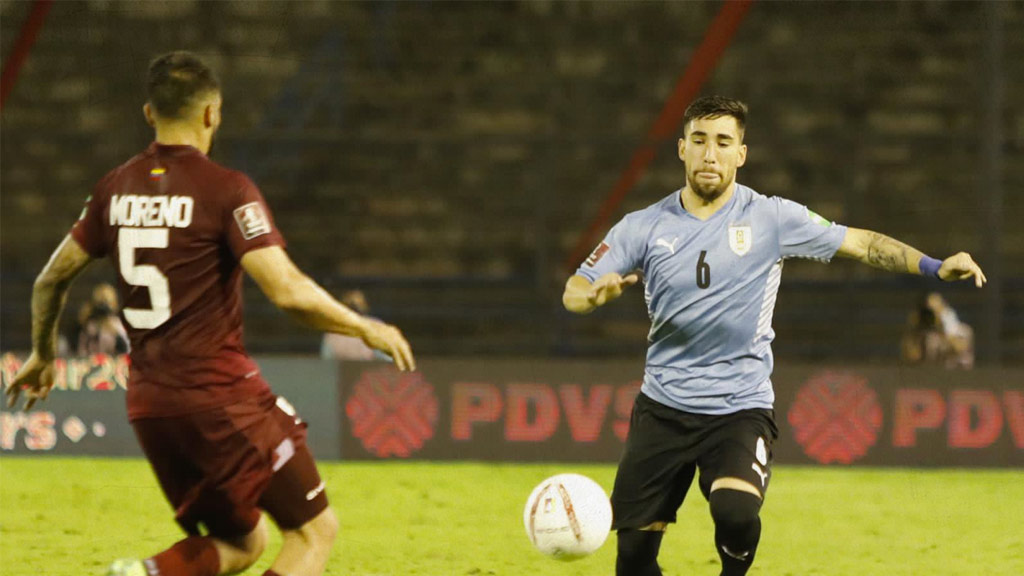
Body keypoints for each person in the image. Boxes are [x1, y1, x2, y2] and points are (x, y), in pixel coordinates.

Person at [5, 51, 415, 576]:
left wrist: (43, 354)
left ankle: (145, 573)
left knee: (244, 542)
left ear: (150, 114)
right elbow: (287, 291)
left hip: (151, 408)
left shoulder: (113, 190)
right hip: (222, 399)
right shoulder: (227, 190)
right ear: (211, 114)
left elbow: (49, 280)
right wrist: (364, 326)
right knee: (315, 532)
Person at [562, 96, 986, 576]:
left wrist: (933, 266)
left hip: (739, 408)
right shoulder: (642, 226)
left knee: (736, 513)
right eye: (699, 141)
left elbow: (862, 243)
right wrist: (592, 297)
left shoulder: (771, 218)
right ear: (681, 149)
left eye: (723, 142)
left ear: (741, 154)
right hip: (662, 408)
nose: (710, 154)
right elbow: (575, 288)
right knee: (634, 562)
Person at [901, 291, 975, 369]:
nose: (931, 317)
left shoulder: (963, 331)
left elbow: (960, 349)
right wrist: (915, 332)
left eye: (935, 311)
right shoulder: (922, 335)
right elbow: (912, 357)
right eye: (929, 312)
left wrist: (943, 329)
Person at [320, 290, 382, 361]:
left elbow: (326, 360)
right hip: (363, 369)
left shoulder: (332, 331)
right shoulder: (375, 326)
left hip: (352, 370)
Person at [75, 283, 130, 356]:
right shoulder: (89, 325)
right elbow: (82, 352)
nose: (103, 307)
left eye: (106, 302)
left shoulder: (117, 325)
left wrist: (114, 332)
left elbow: (125, 350)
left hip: (112, 364)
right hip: (91, 362)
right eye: (101, 302)